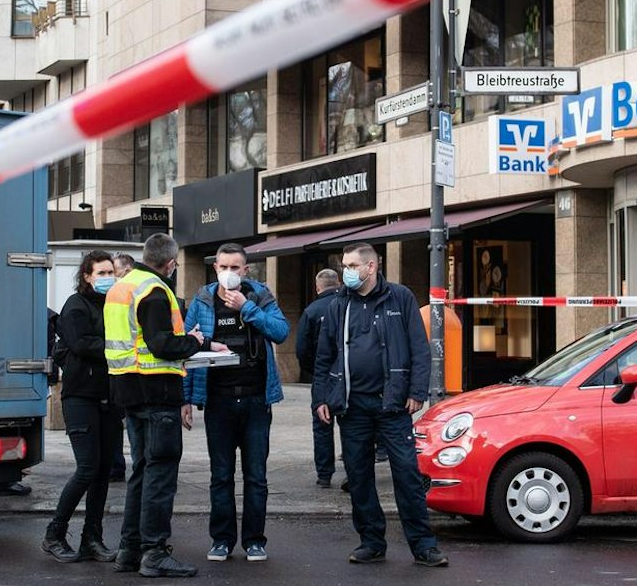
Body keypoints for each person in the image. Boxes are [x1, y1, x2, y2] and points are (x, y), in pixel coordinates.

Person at [313, 243, 447, 569]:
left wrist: (417, 391)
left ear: (371, 267)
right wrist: (321, 397)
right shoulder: (339, 304)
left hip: (393, 406)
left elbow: (419, 348)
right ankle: (372, 542)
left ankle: (423, 546)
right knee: (359, 477)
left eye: (352, 265)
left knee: (407, 475)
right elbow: (324, 355)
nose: (346, 271)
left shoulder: (399, 298)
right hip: (352, 406)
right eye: (344, 265)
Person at [106, 232, 224, 578]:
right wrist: (194, 341)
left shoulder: (122, 286)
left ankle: (129, 550)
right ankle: (154, 551)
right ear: (171, 264)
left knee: (142, 472)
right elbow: (161, 344)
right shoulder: (155, 291)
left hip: (128, 390)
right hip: (156, 392)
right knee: (160, 474)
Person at [185, 243, 289, 562]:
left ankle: (255, 540)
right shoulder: (203, 300)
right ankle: (222, 539)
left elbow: (281, 332)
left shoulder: (259, 296)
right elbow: (186, 347)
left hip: (256, 400)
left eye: (235, 268)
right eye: (223, 267)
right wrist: (185, 399)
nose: (229, 273)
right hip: (219, 401)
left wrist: (248, 308)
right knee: (221, 475)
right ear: (215, 268)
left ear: (245, 270)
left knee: (256, 475)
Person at [44, 251, 123, 563]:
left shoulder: (114, 305)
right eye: (101, 273)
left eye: (111, 272)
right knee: (87, 468)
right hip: (81, 398)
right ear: (87, 276)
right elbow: (80, 344)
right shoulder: (76, 305)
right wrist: (117, 347)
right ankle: (54, 534)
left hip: (110, 398)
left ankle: (92, 538)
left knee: (103, 471)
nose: (108, 278)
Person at [294, 268, 344, 488]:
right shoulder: (348, 305)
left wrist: (313, 371)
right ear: (338, 283)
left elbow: (302, 348)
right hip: (348, 375)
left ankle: (324, 474)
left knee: (322, 424)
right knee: (351, 426)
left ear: (317, 287)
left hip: (322, 376)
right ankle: (354, 470)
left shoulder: (312, 311)